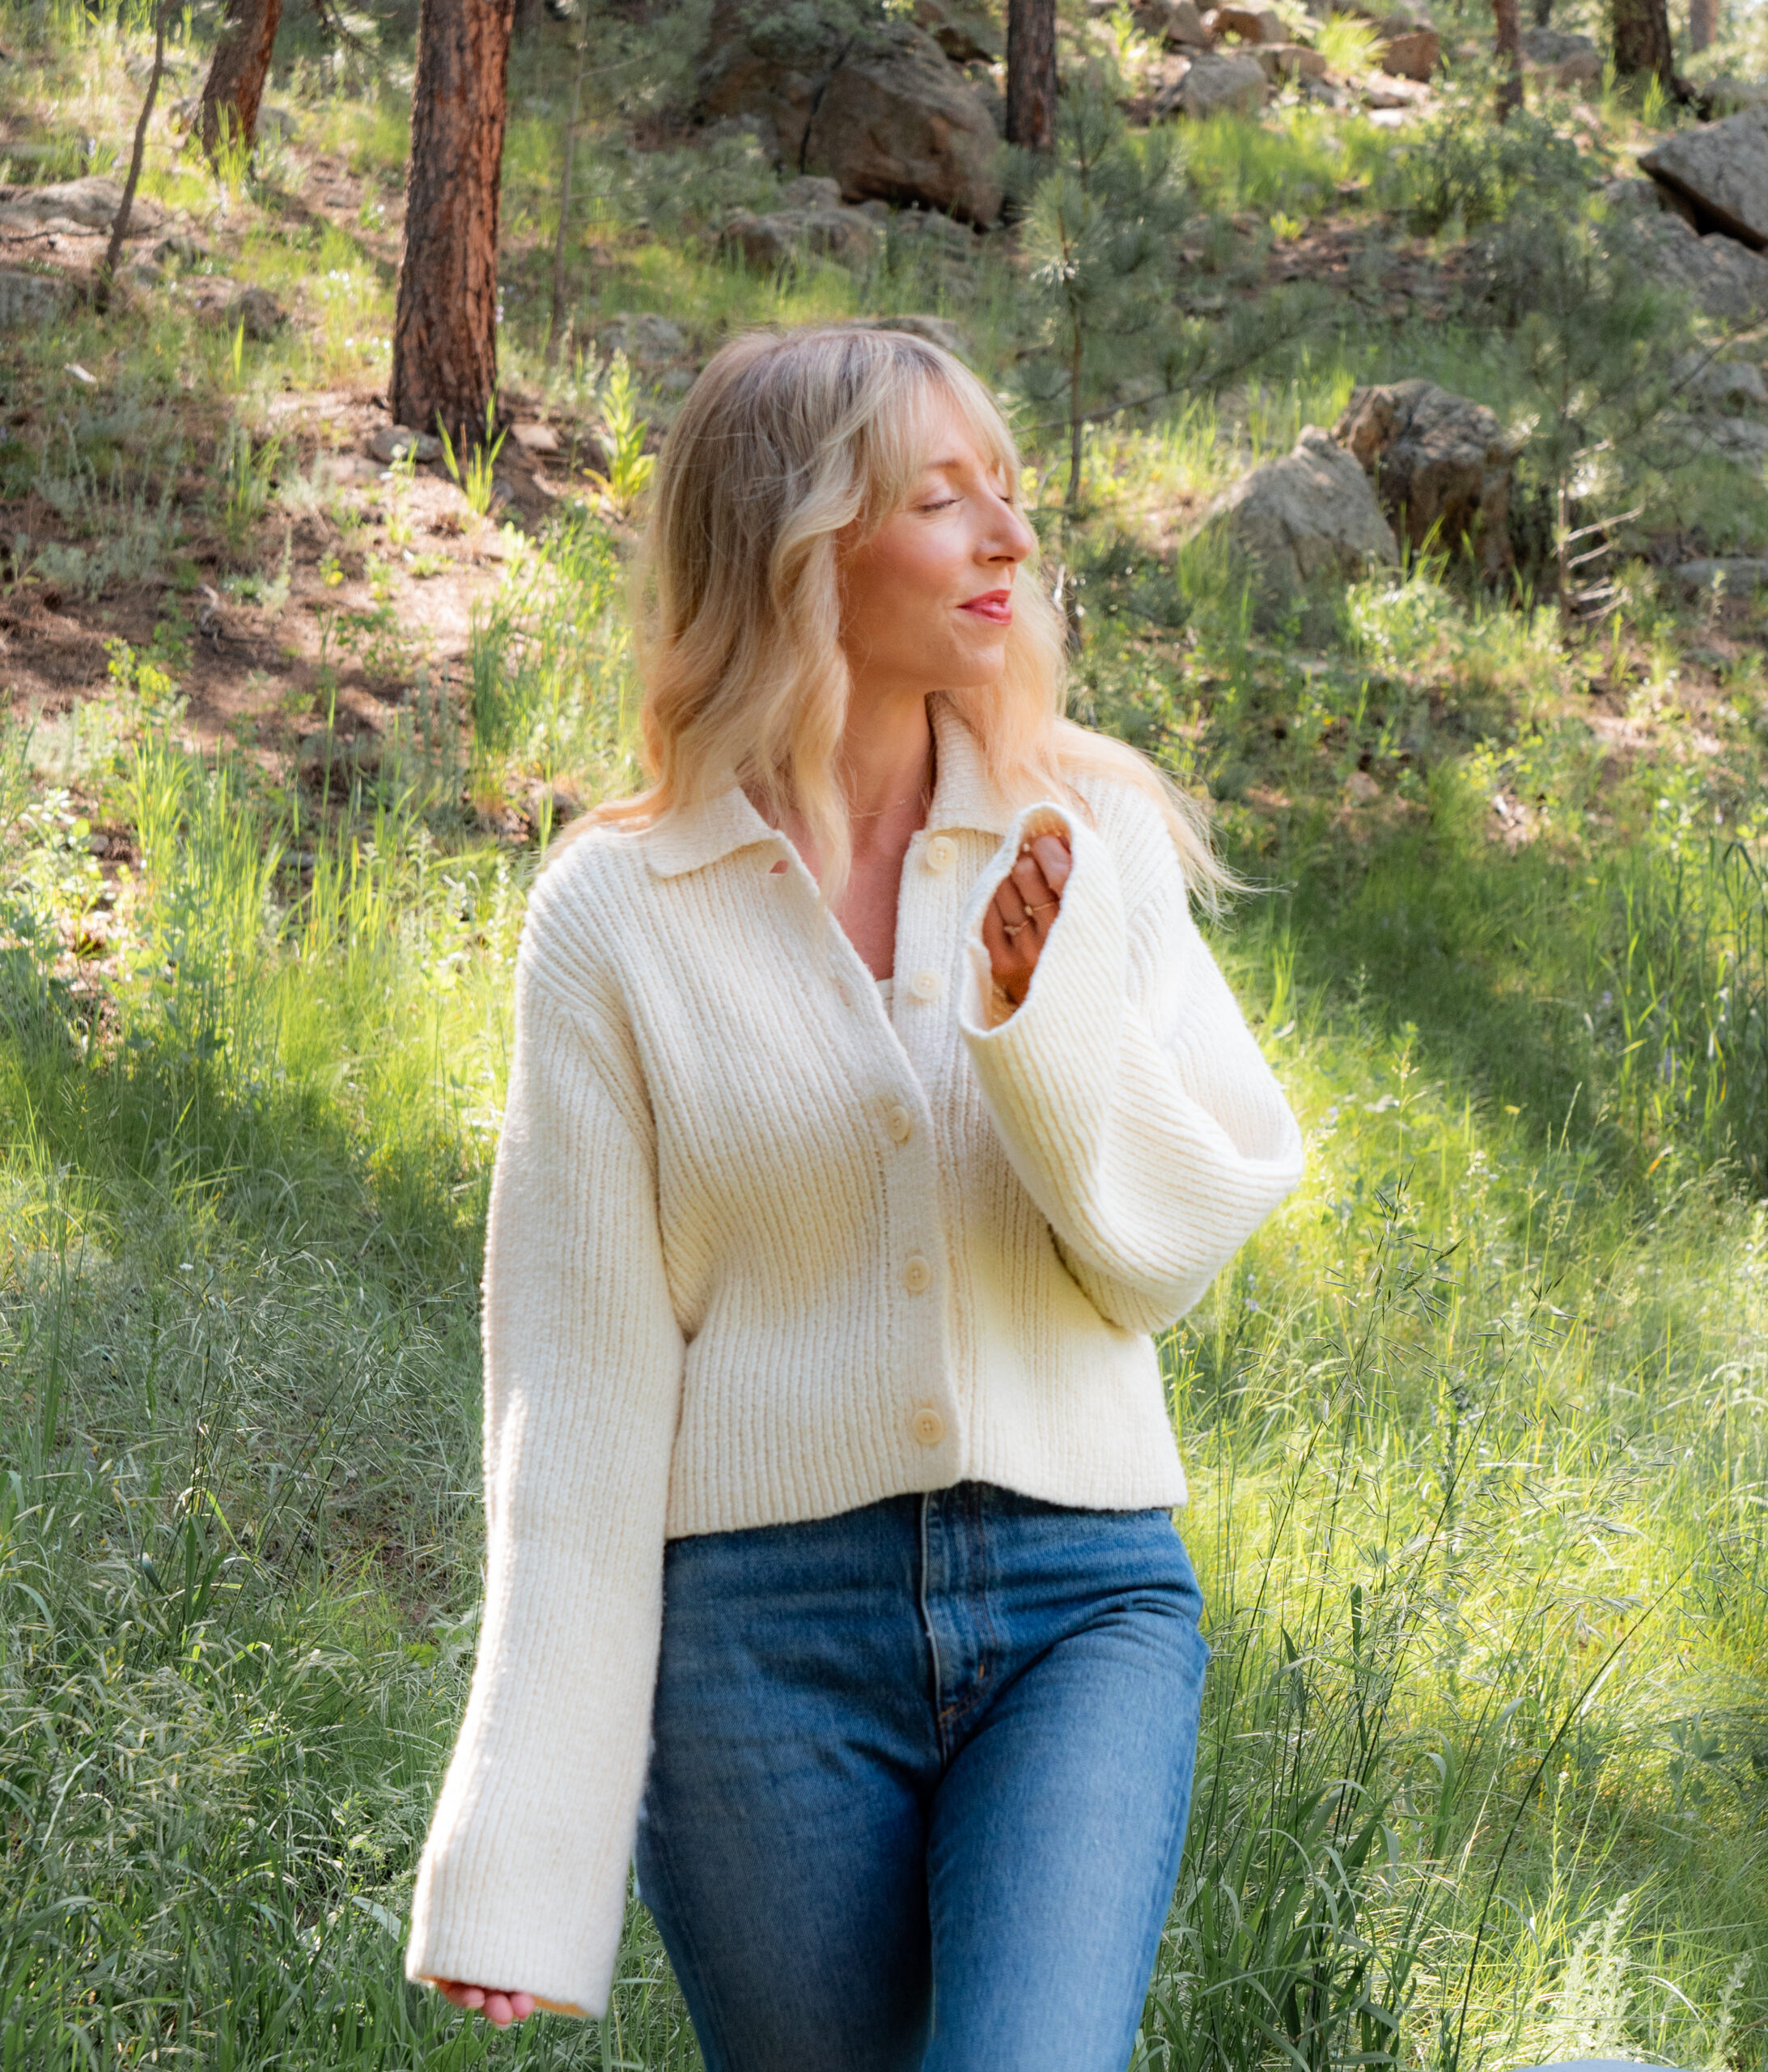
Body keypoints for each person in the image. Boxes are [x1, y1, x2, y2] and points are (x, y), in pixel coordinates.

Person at [402, 323, 1304, 2070]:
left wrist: (1028, 1014)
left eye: (1009, 496)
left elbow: (1166, 1248)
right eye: (940, 498)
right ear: (800, 542)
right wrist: (522, 1844)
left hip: (1080, 1601)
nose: (1008, 540)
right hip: (754, 1645)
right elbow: (576, 1398)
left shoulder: (1082, 833)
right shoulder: (617, 908)